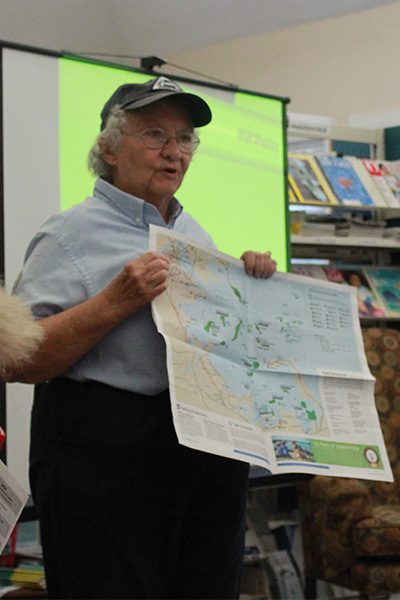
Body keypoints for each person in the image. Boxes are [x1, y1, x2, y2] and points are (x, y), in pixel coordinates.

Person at [4, 76, 277, 600]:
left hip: (202, 450)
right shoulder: (67, 235)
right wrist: (113, 302)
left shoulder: (192, 233)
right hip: (105, 452)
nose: (175, 152)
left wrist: (248, 283)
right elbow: (19, 360)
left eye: (185, 138)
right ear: (109, 148)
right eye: (155, 134)